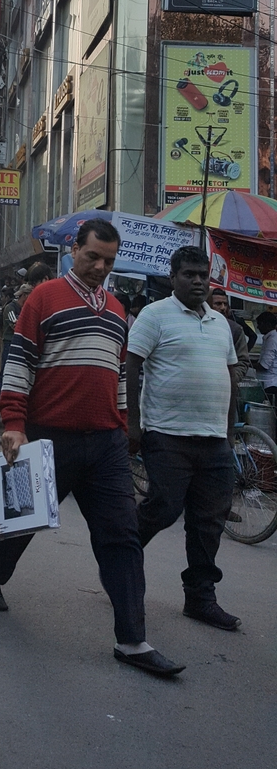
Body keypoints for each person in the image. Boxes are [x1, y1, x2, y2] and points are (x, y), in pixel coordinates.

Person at [0, 218, 183, 678]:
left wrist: (124, 427)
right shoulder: (43, 298)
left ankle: (132, 640)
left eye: (108, 260)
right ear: (73, 249)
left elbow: (119, 378)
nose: (100, 267)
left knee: (122, 538)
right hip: (49, 436)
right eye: (93, 257)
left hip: (105, 443)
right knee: (23, 520)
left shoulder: (116, 309)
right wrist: (13, 423)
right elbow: (20, 362)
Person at [127, 246, 240, 633]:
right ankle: (120, 561)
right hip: (167, 434)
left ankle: (200, 597)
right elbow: (133, 368)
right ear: (172, 276)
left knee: (209, 521)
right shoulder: (154, 316)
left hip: (213, 440)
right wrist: (133, 425)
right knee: (163, 507)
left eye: (202, 275)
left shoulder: (220, 323)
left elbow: (231, 376)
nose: (197, 281)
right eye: (189, 274)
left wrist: (228, 431)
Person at [0, 283, 31, 421]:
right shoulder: (10, 308)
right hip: (10, 344)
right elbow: (17, 326)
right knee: (4, 376)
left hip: (20, 344)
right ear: (24, 295)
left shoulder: (23, 308)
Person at [208, 288, 250, 382]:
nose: (223, 308)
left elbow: (242, 361)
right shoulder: (195, 324)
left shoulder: (235, 329)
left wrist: (231, 380)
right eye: (218, 304)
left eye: (225, 304)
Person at [255, 311, 277, 403]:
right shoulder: (269, 338)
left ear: (266, 324)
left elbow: (264, 366)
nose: (258, 327)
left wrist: (247, 363)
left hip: (270, 385)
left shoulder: (272, 340)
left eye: (259, 324)